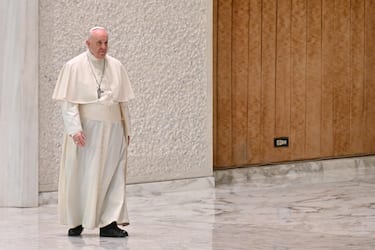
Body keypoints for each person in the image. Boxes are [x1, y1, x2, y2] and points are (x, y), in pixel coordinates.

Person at [52, 26, 135, 237]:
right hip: (87, 131)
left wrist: (127, 129)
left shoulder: (116, 66)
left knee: (113, 176)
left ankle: (109, 223)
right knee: (83, 176)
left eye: (106, 42)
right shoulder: (73, 66)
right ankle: (78, 220)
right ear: (88, 43)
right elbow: (69, 104)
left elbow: (123, 103)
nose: (103, 47)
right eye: (99, 43)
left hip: (114, 130)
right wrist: (75, 129)